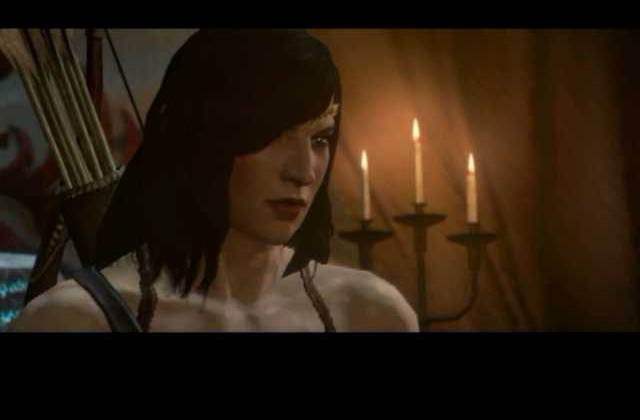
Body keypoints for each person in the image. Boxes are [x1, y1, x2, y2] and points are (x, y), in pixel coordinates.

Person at [9, 29, 419, 332]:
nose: (303, 171)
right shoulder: (72, 321)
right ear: (200, 137)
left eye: (320, 139)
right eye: (272, 135)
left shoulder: (369, 313)